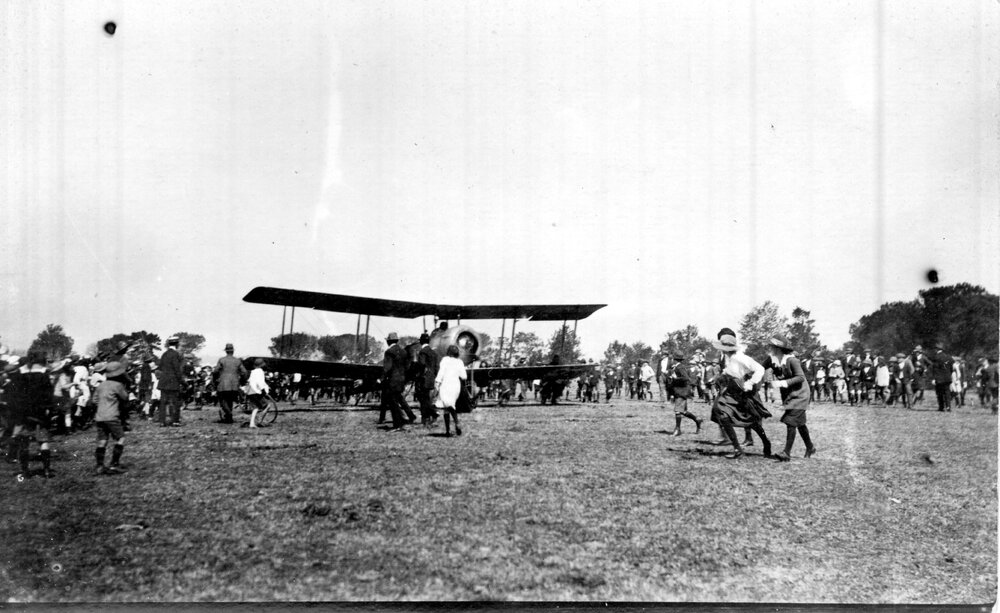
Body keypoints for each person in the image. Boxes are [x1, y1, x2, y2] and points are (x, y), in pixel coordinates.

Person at [710, 333, 771, 459]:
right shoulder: (728, 357)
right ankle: (737, 449)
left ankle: (766, 442)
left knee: (751, 421)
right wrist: (719, 378)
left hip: (743, 391)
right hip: (730, 391)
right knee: (722, 414)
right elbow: (729, 371)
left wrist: (750, 383)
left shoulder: (741, 358)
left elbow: (760, 369)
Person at [766, 336, 816, 462]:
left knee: (791, 421)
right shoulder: (775, 360)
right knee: (800, 423)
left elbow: (800, 377)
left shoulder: (792, 360)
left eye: (772, 346)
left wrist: (781, 383)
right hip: (790, 396)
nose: (770, 348)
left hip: (800, 395)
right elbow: (762, 368)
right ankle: (810, 447)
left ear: (778, 348)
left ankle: (786, 453)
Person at [9, 352, 56, 479]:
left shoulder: (19, 374)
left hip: (24, 413)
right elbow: (49, 395)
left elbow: (14, 394)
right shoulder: (44, 374)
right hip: (40, 412)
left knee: (24, 442)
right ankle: (46, 470)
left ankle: (25, 471)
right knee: (43, 440)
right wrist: (50, 410)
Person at [93, 361, 130, 474]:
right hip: (112, 416)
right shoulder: (118, 385)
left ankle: (99, 465)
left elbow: (94, 400)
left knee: (102, 440)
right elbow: (125, 398)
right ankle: (114, 463)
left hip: (100, 417)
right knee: (120, 438)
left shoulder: (101, 385)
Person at [381, 332, 414, 431]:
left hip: (392, 380)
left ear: (388, 341)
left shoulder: (389, 352)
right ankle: (402, 421)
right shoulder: (403, 352)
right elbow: (407, 366)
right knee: (396, 400)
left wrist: (381, 378)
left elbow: (387, 367)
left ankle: (398, 424)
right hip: (402, 379)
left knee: (393, 403)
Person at [434, 345, 467, 436]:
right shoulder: (460, 362)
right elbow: (464, 376)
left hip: (446, 384)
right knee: (450, 405)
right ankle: (450, 429)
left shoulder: (445, 360)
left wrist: (437, 382)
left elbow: (441, 372)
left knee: (447, 406)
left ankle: (454, 424)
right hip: (456, 385)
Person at [668, 351, 703, 436]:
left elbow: (686, 378)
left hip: (681, 392)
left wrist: (675, 378)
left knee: (677, 411)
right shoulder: (676, 367)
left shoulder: (680, 367)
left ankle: (677, 430)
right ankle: (697, 420)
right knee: (683, 411)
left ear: (675, 359)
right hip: (678, 391)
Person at [214, 343, 247, 424]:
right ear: (233, 351)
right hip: (235, 384)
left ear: (226, 351)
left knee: (222, 400)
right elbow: (244, 372)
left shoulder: (222, 360)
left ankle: (229, 414)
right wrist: (242, 381)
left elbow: (215, 371)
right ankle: (229, 418)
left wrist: (215, 379)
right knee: (230, 400)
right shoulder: (237, 361)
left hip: (223, 383)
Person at [156, 337, 185, 426]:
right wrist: (182, 382)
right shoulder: (175, 354)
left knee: (163, 402)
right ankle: (175, 421)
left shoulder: (164, 354)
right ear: (177, 344)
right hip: (173, 381)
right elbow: (177, 369)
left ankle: (162, 421)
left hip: (163, 381)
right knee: (175, 402)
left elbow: (160, 367)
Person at [414, 333, 439, 426]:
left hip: (423, 378)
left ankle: (432, 413)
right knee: (427, 398)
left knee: (422, 398)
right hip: (431, 378)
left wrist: (417, 373)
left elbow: (422, 364)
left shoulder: (422, 352)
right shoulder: (433, 352)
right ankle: (426, 418)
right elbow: (436, 367)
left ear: (421, 341)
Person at [929, 343, 953, 412]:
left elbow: (935, 369)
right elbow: (951, 368)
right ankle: (948, 407)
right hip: (947, 378)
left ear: (937, 349)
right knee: (947, 393)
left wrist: (934, 378)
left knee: (939, 393)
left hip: (939, 378)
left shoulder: (936, 357)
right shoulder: (948, 357)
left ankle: (941, 407)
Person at [246, 358, 270, 428]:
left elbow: (250, 381)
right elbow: (260, 382)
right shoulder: (260, 371)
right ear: (261, 365)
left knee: (255, 408)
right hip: (256, 391)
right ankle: (260, 420)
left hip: (250, 390)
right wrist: (264, 391)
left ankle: (252, 423)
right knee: (267, 405)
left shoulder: (253, 371)